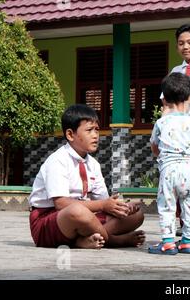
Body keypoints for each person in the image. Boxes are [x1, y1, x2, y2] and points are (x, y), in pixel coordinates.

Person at [28, 104, 145, 249]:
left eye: (97, 129)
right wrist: (103, 205)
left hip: (86, 217)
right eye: (89, 130)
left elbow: (102, 201)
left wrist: (120, 207)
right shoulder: (57, 160)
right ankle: (114, 241)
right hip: (49, 220)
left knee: (136, 215)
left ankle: (83, 240)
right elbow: (61, 204)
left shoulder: (93, 164)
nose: (95, 135)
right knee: (77, 211)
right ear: (70, 135)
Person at [149, 72, 190, 255]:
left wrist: (163, 158)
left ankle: (168, 242)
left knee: (167, 206)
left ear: (165, 99)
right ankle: (187, 242)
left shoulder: (161, 122)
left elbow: (154, 146)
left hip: (169, 170)